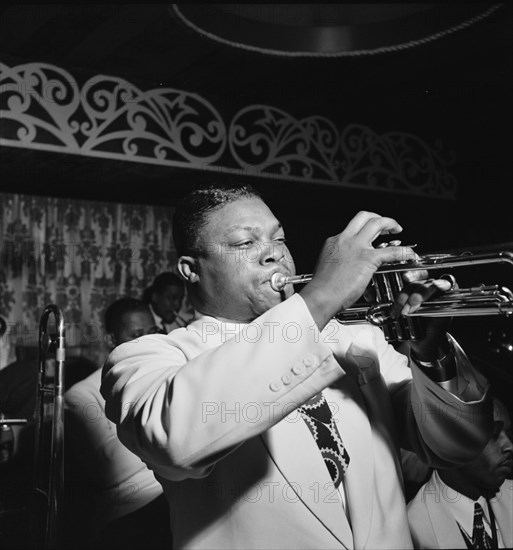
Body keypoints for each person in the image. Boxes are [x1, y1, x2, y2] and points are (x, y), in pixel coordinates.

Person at [101, 183, 494, 550]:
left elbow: (458, 446)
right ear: (190, 269)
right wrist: (324, 294)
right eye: (245, 242)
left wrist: (431, 353)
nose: (274, 252)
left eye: (280, 238)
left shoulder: (355, 339)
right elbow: (173, 438)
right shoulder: (149, 357)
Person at [64, 297, 171, 549]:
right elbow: (112, 469)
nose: (148, 342)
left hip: (178, 496)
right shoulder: (81, 396)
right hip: (134, 508)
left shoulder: (166, 373)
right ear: (112, 340)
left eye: (153, 332)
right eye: (136, 335)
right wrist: (171, 427)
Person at [407, 396, 513, 549]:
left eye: (509, 434)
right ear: (450, 444)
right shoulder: (412, 529)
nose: (509, 446)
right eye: (494, 435)